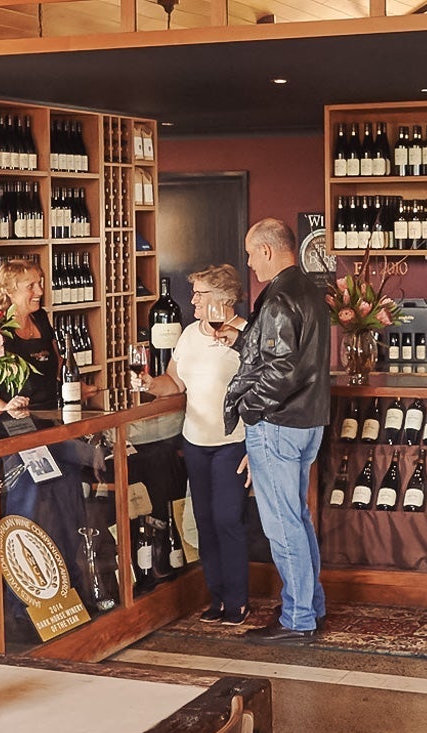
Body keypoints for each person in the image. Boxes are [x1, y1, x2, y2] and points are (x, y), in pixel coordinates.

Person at [224, 219, 332, 642]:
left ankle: (298, 619)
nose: (250, 263)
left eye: (252, 254)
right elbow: (294, 359)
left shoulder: (279, 298)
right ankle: (312, 607)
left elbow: (281, 369)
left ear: (268, 251)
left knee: (282, 524)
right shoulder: (309, 290)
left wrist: (250, 411)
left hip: (280, 424)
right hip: (308, 423)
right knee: (298, 519)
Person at [137, 263, 250, 624]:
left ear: (225, 299)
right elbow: (174, 383)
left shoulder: (247, 335)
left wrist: (255, 448)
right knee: (204, 520)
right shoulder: (188, 335)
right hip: (196, 442)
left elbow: (262, 393)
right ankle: (216, 598)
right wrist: (148, 385)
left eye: (200, 294)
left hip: (234, 441)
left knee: (228, 519)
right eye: (196, 293)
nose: (193, 300)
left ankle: (238, 599)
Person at [0, 258, 66, 413]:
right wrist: (5, 408)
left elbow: (58, 363)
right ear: (9, 291)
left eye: (39, 283)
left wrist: (77, 386)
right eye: (31, 286)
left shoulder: (40, 317)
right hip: (15, 421)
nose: (40, 291)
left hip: (51, 412)